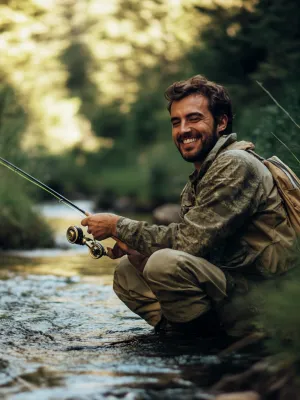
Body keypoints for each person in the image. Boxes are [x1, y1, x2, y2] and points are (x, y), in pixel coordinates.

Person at [81, 75, 296, 337]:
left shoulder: (235, 165)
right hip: (236, 284)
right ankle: (180, 338)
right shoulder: (199, 179)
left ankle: (199, 346)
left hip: (272, 298)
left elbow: (188, 243)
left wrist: (118, 226)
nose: (183, 130)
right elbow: (198, 250)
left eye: (194, 119)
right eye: (176, 122)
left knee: (163, 264)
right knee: (129, 271)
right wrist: (139, 253)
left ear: (222, 123)